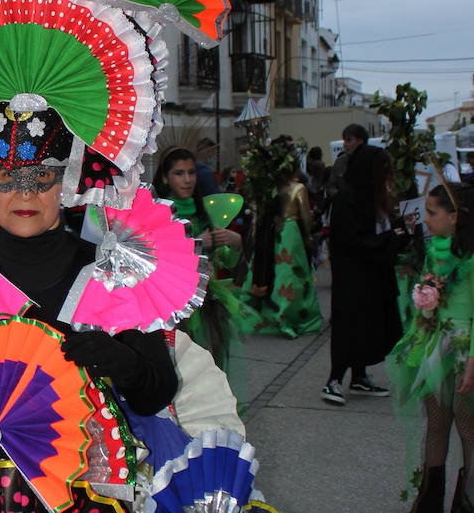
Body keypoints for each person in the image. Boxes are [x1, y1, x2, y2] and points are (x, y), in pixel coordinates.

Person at [0, 104, 178, 468]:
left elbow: (157, 392)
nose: (24, 194)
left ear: (65, 185)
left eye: (41, 177)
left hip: (92, 480)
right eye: (8, 176)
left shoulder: (110, 272)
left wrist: (120, 360)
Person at [388, 184, 474, 513]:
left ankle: (467, 502)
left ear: (454, 218)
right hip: (436, 342)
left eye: (432, 213)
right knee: (437, 420)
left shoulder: (470, 257)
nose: (425, 219)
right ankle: (430, 499)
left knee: (467, 424)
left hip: (466, 345)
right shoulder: (432, 251)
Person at [322, 144, 402, 404]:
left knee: (368, 325)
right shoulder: (347, 198)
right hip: (353, 277)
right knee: (350, 325)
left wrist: (398, 232)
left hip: (371, 274)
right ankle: (334, 380)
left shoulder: (370, 196)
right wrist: (390, 239)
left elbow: (377, 231)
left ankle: (359, 376)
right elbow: (353, 240)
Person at [153, 145, 243, 375]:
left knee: (211, 365)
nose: (187, 180)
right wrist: (194, 244)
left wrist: (234, 242)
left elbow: (224, 262)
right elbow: (155, 258)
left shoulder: (203, 212)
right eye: (179, 173)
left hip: (207, 303)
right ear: (165, 177)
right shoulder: (159, 212)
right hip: (173, 306)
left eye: (191, 172)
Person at [240, 154, 322, 338]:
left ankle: (268, 309)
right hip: (291, 233)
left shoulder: (272, 188)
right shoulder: (298, 188)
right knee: (292, 271)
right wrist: (308, 235)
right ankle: (290, 312)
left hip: (273, 232)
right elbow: (305, 215)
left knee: (277, 270)